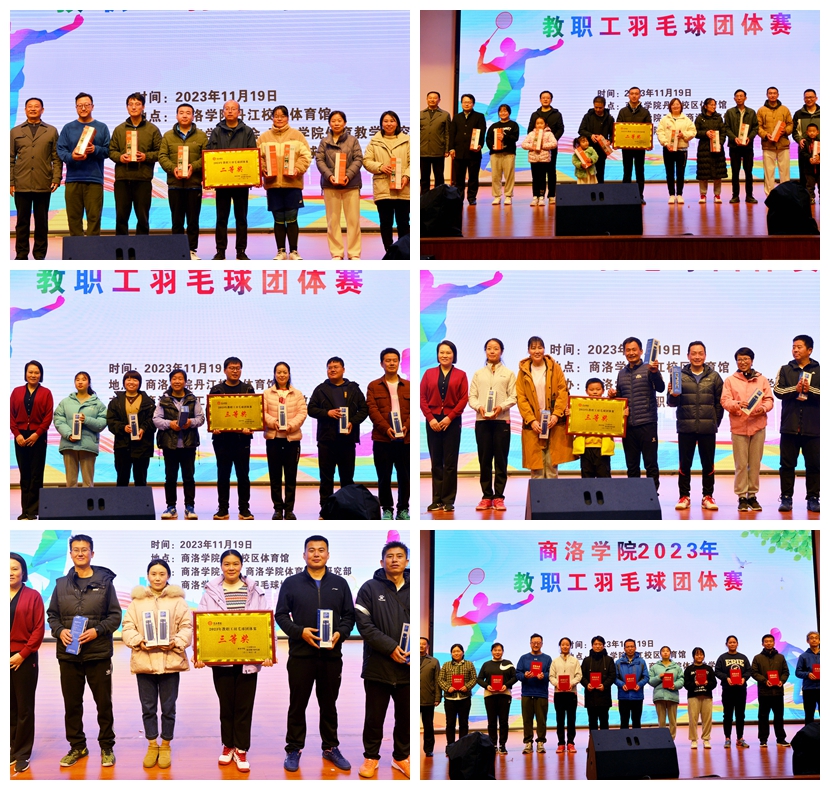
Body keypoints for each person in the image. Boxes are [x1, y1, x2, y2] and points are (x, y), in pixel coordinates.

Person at [275, 535, 355, 773]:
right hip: (301, 656)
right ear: (304, 555)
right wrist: (299, 632)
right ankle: (293, 748)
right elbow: (281, 615)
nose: (316, 554)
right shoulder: (291, 583)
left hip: (331, 657)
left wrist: (341, 633)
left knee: (329, 705)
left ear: (328, 555)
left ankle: (330, 747)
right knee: (297, 705)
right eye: (312, 550)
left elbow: (349, 616)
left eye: (321, 550)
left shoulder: (340, 583)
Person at [46, 534, 121, 768]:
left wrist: (97, 631)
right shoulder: (60, 584)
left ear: (92, 553)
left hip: (98, 653)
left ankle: (107, 746)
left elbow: (115, 616)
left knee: (103, 703)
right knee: (72, 704)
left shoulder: (105, 583)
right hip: (68, 655)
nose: (80, 553)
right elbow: (52, 616)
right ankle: (77, 746)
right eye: (76, 550)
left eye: (84, 549)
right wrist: (60, 631)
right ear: (70, 554)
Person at [195, 550, 274, 772]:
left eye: (236, 563)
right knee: (226, 704)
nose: (231, 568)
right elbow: (201, 624)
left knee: (244, 706)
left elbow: (266, 621)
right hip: (221, 658)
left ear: (241, 565)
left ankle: (241, 748)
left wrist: (268, 652)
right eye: (227, 564)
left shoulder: (255, 591)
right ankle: (228, 745)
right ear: (221, 566)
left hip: (248, 657)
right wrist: (200, 654)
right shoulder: (210, 592)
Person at [121, 559, 192, 769]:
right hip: (145, 662)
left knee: (169, 708)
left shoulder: (178, 601)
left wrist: (176, 642)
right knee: (148, 707)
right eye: (153, 574)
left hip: (171, 662)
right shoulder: (137, 602)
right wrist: (138, 641)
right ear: (148, 576)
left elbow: (187, 627)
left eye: (162, 574)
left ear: (168, 576)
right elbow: (127, 627)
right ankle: (152, 744)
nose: (158, 578)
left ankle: (166, 745)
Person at [355, 541, 410, 778]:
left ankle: (401, 757)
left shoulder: (415, 588)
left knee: (405, 717)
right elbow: (364, 625)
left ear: (407, 561)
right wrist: (390, 648)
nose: (394, 560)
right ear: (382, 561)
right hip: (377, 665)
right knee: (374, 717)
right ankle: (371, 757)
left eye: (399, 556)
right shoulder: (369, 588)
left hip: (408, 666)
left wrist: (416, 647)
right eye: (390, 556)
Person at [307, 357, 368, 517]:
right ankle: (325, 510)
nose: (332, 370)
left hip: (347, 440)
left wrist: (352, 422)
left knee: (347, 478)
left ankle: (347, 510)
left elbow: (364, 409)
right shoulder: (321, 389)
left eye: (336, 367)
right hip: (326, 441)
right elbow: (311, 409)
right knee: (326, 478)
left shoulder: (353, 388)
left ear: (343, 369)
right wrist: (327, 413)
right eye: (329, 367)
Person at [667, 341, 724, 510]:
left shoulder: (714, 377)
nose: (697, 356)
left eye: (700, 353)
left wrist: (714, 422)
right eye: (693, 353)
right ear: (688, 356)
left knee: (708, 464)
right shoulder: (678, 375)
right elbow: (671, 403)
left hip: (707, 428)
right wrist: (672, 395)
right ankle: (684, 496)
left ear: (705, 356)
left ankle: (708, 496)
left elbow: (719, 404)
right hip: (686, 427)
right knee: (685, 464)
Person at [721, 347, 773, 511]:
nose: (742, 362)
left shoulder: (762, 380)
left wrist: (763, 408)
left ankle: (752, 495)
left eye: (746, 359)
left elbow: (769, 399)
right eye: (739, 359)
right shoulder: (730, 380)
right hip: (739, 427)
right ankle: (742, 496)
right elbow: (725, 401)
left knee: (755, 463)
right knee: (741, 464)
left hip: (758, 426)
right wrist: (738, 404)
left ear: (752, 360)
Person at [257, 104, 312, 260]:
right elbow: (257, 157)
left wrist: (297, 169)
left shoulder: (297, 136)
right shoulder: (264, 137)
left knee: (292, 218)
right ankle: (280, 251)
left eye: (282, 116)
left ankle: (294, 251)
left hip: (292, 184)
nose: (279, 119)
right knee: (278, 219)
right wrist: (263, 169)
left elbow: (306, 156)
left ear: (287, 118)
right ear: (272, 118)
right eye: (276, 116)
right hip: (273, 184)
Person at [609, 337, 665, 490]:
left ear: (641, 351)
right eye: (628, 350)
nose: (631, 353)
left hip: (647, 423)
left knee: (650, 463)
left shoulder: (649, 368)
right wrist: (613, 395)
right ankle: (634, 495)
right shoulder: (621, 373)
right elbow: (621, 397)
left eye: (634, 349)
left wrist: (655, 372)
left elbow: (661, 388)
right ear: (624, 352)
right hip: (628, 427)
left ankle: (653, 494)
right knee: (632, 465)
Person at [516, 336, 574, 480]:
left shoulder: (554, 367)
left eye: (540, 347)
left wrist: (556, 415)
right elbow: (521, 398)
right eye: (533, 348)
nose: (537, 351)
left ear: (544, 349)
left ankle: (552, 495)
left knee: (552, 466)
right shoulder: (523, 371)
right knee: (536, 468)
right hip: (533, 424)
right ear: (528, 351)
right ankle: (538, 495)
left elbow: (562, 391)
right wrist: (531, 420)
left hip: (553, 422)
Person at [10, 97, 61, 259]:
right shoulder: (15, 132)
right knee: (22, 222)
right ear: (25, 110)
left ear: (42, 110)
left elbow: (56, 158)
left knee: (41, 222)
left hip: (43, 183)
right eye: (30, 106)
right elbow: (9, 158)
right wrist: (10, 181)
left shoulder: (51, 131)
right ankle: (21, 255)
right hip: (22, 183)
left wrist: (56, 178)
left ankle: (39, 255)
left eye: (36, 106)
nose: (33, 109)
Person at [420, 340, 468, 513]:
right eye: (442, 352)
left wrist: (450, 417)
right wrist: (430, 418)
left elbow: (463, 399)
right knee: (436, 461)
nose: (445, 355)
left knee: (450, 462)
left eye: (448, 352)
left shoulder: (461, 375)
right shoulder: (428, 373)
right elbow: (422, 397)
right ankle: (437, 500)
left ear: (454, 355)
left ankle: (448, 500)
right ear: (437, 354)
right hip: (432, 421)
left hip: (452, 421)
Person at [469, 338, 517, 511]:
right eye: (489, 348)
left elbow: (514, 396)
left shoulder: (509, 374)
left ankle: (499, 497)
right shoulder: (478, 374)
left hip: (501, 420)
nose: (492, 351)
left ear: (501, 351)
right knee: (484, 460)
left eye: (496, 348)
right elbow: (472, 397)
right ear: (485, 351)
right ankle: (486, 496)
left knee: (501, 460)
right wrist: (479, 407)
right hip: (482, 421)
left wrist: (501, 407)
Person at [774, 334, 820, 512]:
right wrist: (796, 389)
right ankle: (786, 498)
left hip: (813, 427)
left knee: (814, 465)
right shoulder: (785, 369)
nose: (795, 350)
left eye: (799, 347)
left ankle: (813, 498)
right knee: (787, 465)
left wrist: (810, 390)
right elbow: (777, 391)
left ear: (810, 350)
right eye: (793, 347)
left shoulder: (820, 370)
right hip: (789, 426)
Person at [206, 100, 257, 260]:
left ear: (239, 112)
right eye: (227, 109)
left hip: (241, 183)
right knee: (221, 218)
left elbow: (252, 155)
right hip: (222, 183)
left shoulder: (247, 131)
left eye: (233, 109)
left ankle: (241, 251)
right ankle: (220, 251)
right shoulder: (216, 131)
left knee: (241, 218)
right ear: (223, 112)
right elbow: (210, 154)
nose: (230, 111)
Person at [158, 102, 208, 260]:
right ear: (176, 116)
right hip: (175, 185)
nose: (184, 115)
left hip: (194, 184)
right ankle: (177, 250)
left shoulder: (201, 136)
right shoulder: (168, 136)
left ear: (193, 116)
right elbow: (162, 156)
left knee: (193, 220)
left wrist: (194, 166)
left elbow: (206, 156)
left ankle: (192, 250)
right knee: (177, 220)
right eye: (181, 112)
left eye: (188, 113)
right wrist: (173, 168)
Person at [57, 92, 111, 236]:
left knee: (94, 218)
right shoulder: (68, 128)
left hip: (94, 180)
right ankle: (77, 249)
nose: (83, 108)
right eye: (80, 105)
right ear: (75, 107)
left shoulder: (102, 127)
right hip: (73, 180)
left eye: (86, 105)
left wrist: (95, 149)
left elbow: (108, 151)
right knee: (74, 219)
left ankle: (93, 248)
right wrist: (72, 156)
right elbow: (60, 150)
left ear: (92, 106)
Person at [153, 368, 205, 520]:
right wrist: (170, 424)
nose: (177, 381)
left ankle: (190, 507)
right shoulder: (163, 400)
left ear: (185, 381)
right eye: (174, 378)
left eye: (180, 378)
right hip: (170, 445)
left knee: (189, 477)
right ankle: (171, 507)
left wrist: (190, 422)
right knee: (170, 478)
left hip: (188, 444)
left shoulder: (192, 399)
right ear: (170, 381)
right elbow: (156, 419)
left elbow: (201, 418)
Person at [10, 552, 45, 773]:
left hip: (24, 657)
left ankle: (22, 753)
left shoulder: (33, 596)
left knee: (24, 707)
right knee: (8, 706)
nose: (10, 573)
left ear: (23, 572)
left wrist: (22, 654)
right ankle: (11, 747)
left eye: (14, 568)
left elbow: (38, 629)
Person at [108, 92, 161, 236]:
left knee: (143, 218)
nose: (134, 107)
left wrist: (145, 157)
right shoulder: (119, 129)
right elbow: (111, 151)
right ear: (127, 107)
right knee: (121, 217)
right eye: (130, 104)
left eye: (137, 104)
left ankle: (142, 247)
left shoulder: (152, 129)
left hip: (143, 179)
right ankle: (121, 247)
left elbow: (160, 153)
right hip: (122, 179)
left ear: (143, 107)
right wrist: (120, 157)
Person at [209, 357, 255, 520]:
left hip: (242, 440)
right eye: (231, 368)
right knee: (223, 475)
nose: (235, 371)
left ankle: (244, 509)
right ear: (224, 370)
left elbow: (253, 413)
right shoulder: (216, 390)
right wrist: (213, 426)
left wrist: (251, 427)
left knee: (243, 476)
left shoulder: (248, 389)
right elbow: (211, 413)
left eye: (237, 368)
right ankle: (223, 509)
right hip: (222, 441)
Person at [367, 347, 410, 520]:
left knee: (405, 476)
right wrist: (386, 429)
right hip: (382, 439)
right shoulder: (373, 386)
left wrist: (406, 426)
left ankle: (403, 509)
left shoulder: (409, 386)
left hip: (405, 439)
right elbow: (372, 410)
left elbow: (413, 410)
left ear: (399, 363)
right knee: (384, 476)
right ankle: (386, 508)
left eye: (395, 360)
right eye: (388, 360)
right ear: (381, 364)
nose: (391, 363)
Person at [316, 110, 363, 260]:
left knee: (353, 221)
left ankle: (354, 253)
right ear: (329, 123)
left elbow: (358, 159)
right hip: (330, 185)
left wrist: (347, 175)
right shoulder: (324, 142)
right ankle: (336, 253)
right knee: (333, 221)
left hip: (351, 185)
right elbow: (319, 160)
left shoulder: (353, 140)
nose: (336, 123)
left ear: (345, 123)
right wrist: (330, 176)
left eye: (339, 120)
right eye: (333, 121)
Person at [263, 362, 306, 520]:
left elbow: (302, 413)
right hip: (273, 439)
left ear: (289, 374)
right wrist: (273, 423)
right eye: (279, 372)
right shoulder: (267, 393)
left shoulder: (297, 394)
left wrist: (290, 426)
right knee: (275, 476)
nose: (282, 375)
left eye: (285, 372)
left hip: (291, 440)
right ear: (274, 374)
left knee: (290, 476)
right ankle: (277, 509)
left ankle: (289, 510)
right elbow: (262, 412)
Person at [11, 360, 53, 519]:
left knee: (36, 474)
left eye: (36, 372)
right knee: (25, 474)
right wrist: (17, 434)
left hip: (38, 436)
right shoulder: (16, 391)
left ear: (41, 375)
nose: (33, 375)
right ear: (25, 373)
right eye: (30, 372)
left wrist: (37, 434)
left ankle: (34, 510)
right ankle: (25, 510)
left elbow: (48, 416)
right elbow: (10, 415)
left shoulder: (46, 393)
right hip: (20, 437)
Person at [363, 110, 410, 251]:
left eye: (392, 121)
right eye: (386, 121)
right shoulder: (374, 141)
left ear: (397, 123)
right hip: (383, 188)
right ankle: (389, 252)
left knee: (403, 223)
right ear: (381, 123)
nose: (389, 124)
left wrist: (406, 176)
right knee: (385, 223)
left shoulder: (407, 140)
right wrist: (380, 167)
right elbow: (367, 161)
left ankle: (404, 252)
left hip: (403, 188)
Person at [53, 372, 108, 487]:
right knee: (71, 483)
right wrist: (69, 434)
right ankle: (71, 500)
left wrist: (86, 419)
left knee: (88, 483)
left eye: (83, 379)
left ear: (89, 383)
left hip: (88, 445)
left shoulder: (97, 404)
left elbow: (102, 423)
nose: (80, 382)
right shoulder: (65, 402)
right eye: (77, 379)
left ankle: (88, 500)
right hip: (69, 444)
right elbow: (58, 420)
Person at [106, 370, 155, 488]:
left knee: (141, 480)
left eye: (135, 379)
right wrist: (123, 427)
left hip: (142, 446)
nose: (131, 382)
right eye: (128, 379)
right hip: (122, 446)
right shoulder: (115, 402)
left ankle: (141, 501)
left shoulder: (148, 402)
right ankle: (121, 501)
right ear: (124, 382)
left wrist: (143, 429)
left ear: (140, 383)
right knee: (122, 480)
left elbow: (153, 421)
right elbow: (111, 421)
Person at [569, 378, 619, 478]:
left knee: (604, 478)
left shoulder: (609, 405)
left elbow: (616, 419)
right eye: (591, 390)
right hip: (585, 448)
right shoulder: (580, 406)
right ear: (586, 391)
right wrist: (570, 414)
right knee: (587, 478)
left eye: (598, 389)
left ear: (603, 391)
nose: (595, 392)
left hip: (603, 449)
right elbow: (574, 422)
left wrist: (622, 414)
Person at [477, 642, 517, 755]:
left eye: (499, 650)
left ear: (503, 651)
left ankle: (502, 745)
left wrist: (506, 685)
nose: (497, 652)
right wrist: (487, 686)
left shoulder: (508, 664)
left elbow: (515, 677)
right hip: (490, 696)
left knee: (504, 721)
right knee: (492, 721)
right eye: (495, 650)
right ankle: (493, 744)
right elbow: (479, 679)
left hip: (505, 695)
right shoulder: (486, 664)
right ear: (491, 652)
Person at [516, 633, 552, 753]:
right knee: (527, 720)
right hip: (527, 693)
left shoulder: (547, 658)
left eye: (538, 643)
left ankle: (540, 742)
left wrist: (544, 676)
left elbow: (551, 674)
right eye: (533, 642)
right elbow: (518, 673)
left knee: (541, 720)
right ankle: (528, 743)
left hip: (541, 693)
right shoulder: (523, 658)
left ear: (542, 644)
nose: (536, 645)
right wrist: (524, 676)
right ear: (530, 643)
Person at [751, 634, 790, 747]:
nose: (768, 643)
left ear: (774, 643)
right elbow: (754, 673)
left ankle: (781, 739)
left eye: (770, 641)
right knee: (763, 717)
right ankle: (763, 740)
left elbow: (786, 672)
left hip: (778, 692)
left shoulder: (780, 657)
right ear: (762, 644)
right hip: (764, 692)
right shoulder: (757, 658)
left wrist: (781, 681)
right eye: (766, 641)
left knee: (779, 716)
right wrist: (764, 681)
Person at [714, 635, 753, 748]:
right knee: (727, 715)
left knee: (740, 715)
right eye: (730, 642)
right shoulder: (722, 658)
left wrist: (744, 678)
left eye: (734, 642)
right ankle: (727, 738)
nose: (732, 644)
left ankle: (740, 738)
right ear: (726, 644)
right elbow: (717, 671)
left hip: (741, 690)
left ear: (737, 644)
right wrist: (726, 678)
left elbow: (749, 671)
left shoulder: (743, 657)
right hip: (728, 690)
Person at [656, 98, 696, 203]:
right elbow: (660, 132)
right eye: (673, 104)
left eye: (678, 104)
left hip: (681, 150)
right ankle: (671, 195)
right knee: (669, 173)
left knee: (680, 173)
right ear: (670, 106)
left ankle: (679, 194)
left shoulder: (686, 119)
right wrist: (666, 143)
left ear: (681, 106)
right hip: (668, 149)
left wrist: (684, 135)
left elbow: (693, 131)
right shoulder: (665, 119)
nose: (675, 106)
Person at [526, 91, 564, 204]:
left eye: (548, 98)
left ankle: (552, 195)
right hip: (536, 150)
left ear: (551, 100)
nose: (545, 99)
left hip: (550, 148)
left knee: (551, 171)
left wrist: (551, 141)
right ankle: (537, 195)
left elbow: (560, 129)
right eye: (543, 98)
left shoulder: (557, 114)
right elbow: (530, 130)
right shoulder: (535, 114)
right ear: (540, 100)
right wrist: (535, 144)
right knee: (537, 174)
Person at [449, 93, 486, 205]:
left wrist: (480, 145)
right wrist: (451, 148)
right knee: (459, 178)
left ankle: (472, 197)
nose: (466, 104)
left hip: (474, 152)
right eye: (464, 102)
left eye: (469, 102)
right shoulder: (457, 117)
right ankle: (459, 198)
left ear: (473, 104)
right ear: (461, 104)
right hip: (459, 152)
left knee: (473, 177)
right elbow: (452, 133)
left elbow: (482, 132)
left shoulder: (479, 116)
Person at [617, 87, 652, 204]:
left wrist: (648, 143)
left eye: (636, 94)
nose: (634, 96)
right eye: (632, 93)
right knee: (627, 172)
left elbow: (648, 129)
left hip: (640, 148)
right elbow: (618, 128)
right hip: (626, 148)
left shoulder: (645, 112)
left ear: (640, 96)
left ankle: (639, 196)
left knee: (639, 172)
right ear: (628, 95)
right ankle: (625, 197)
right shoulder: (623, 112)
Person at [723, 90, 759, 204]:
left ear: (745, 98)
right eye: (737, 96)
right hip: (734, 146)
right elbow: (726, 128)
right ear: (734, 98)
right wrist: (734, 138)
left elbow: (756, 127)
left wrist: (750, 137)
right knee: (735, 172)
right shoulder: (729, 112)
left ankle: (749, 196)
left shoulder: (751, 112)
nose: (739, 98)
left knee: (748, 172)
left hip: (748, 146)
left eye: (741, 96)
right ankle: (735, 196)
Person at [757, 87, 793, 196]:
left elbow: (790, 124)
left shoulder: (784, 109)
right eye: (770, 93)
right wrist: (765, 135)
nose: (772, 95)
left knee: (785, 172)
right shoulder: (761, 110)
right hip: (768, 145)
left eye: (774, 93)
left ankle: (786, 195)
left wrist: (784, 131)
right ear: (767, 95)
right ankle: (770, 196)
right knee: (769, 173)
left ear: (778, 95)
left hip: (783, 145)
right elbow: (758, 127)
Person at [438, 644, 476, 749]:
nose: (456, 653)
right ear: (451, 653)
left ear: (463, 652)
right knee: (450, 724)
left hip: (464, 698)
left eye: (458, 651)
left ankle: (462, 747)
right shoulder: (446, 665)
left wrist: (467, 687)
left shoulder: (469, 664)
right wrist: (447, 688)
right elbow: (440, 679)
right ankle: (450, 746)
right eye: (454, 651)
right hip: (450, 699)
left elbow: (474, 678)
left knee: (464, 723)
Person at [550, 637, 581, 754]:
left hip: (571, 693)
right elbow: (551, 676)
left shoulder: (575, 660)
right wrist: (557, 684)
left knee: (571, 719)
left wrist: (571, 683)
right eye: (563, 644)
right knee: (560, 719)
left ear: (570, 646)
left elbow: (579, 675)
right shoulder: (555, 661)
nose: (565, 646)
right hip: (559, 694)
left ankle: (571, 743)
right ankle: (561, 743)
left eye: (567, 644)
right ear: (560, 646)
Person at [695, 98, 729, 204]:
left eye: (714, 105)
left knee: (717, 173)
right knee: (703, 173)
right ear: (705, 106)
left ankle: (717, 195)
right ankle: (703, 195)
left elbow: (723, 132)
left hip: (717, 148)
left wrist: (720, 143)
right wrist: (705, 133)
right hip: (704, 149)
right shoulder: (700, 118)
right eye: (711, 105)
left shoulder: (718, 118)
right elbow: (695, 132)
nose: (713, 106)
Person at [486, 103, 520, 205]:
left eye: (505, 111)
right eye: (501, 111)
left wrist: (504, 137)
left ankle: (508, 196)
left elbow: (515, 138)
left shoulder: (513, 125)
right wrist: (491, 146)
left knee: (509, 175)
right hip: (495, 154)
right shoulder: (494, 126)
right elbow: (488, 139)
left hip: (509, 153)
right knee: (495, 176)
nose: (503, 113)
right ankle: (497, 196)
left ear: (509, 112)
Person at [580, 636, 615, 732]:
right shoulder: (587, 660)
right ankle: (592, 741)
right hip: (591, 696)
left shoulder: (609, 660)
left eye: (600, 644)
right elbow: (581, 676)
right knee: (592, 722)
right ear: (592, 646)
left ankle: (605, 741)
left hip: (604, 696)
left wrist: (604, 685)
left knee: (604, 722)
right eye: (595, 644)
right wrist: (587, 684)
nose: (598, 646)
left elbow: (612, 675)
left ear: (603, 646)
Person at [684, 647, 717, 748]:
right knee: (693, 719)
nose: (699, 656)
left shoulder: (708, 669)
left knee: (707, 719)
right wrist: (694, 683)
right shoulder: (689, 669)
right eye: (697, 654)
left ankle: (706, 739)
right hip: (693, 697)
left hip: (706, 696)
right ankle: (693, 740)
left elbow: (714, 683)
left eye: (701, 654)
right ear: (693, 656)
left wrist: (707, 683)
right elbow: (686, 684)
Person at [648, 646, 684, 740]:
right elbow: (650, 681)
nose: (665, 652)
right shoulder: (655, 667)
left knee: (673, 721)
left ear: (670, 653)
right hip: (659, 696)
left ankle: (672, 740)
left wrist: (674, 685)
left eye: (667, 651)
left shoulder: (676, 667)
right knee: (661, 721)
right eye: (663, 651)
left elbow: (681, 680)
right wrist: (659, 677)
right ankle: (662, 740)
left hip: (672, 696)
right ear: (660, 654)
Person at [578, 96, 614, 183]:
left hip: (602, 150)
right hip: (588, 149)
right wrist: (591, 135)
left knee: (600, 173)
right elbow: (581, 130)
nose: (598, 110)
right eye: (596, 107)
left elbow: (613, 133)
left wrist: (609, 140)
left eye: (600, 108)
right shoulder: (588, 116)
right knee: (588, 173)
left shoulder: (609, 118)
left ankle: (600, 190)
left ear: (604, 106)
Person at [521, 117, 557, 206]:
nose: (539, 125)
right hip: (533, 159)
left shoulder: (549, 134)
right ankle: (535, 197)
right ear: (535, 125)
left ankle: (541, 197)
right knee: (535, 178)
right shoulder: (531, 134)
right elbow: (523, 144)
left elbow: (554, 143)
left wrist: (542, 145)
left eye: (541, 123)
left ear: (545, 124)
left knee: (542, 178)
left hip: (544, 160)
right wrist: (532, 147)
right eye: (537, 123)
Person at [420, 91, 450, 193]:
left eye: (435, 98)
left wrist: (447, 149)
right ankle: (424, 196)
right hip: (423, 150)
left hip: (438, 150)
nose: (432, 100)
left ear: (439, 100)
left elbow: (447, 133)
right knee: (424, 176)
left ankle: (439, 195)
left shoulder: (445, 115)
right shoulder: (420, 114)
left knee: (439, 176)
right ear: (427, 99)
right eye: (430, 98)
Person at [615, 639, 648, 729]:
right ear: (624, 649)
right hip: (623, 696)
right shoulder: (618, 662)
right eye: (628, 647)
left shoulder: (641, 662)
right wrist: (622, 684)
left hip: (637, 696)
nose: (630, 648)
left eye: (632, 646)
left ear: (635, 648)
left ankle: (637, 739)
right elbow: (615, 678)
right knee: (624, 721)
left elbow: (646, 677)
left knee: (636, 721)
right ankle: (624, 738)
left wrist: (639, 685)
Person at [793, 89, 820, 191]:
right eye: (806, 97)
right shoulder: (798, 114)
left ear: (816, 98)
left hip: (821, 149)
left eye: (811, 97)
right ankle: (806, 196)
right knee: (804, 175)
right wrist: (799, 140)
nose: (809, 99)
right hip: (804, 149)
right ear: (804, 99)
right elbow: (794, 131)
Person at [420, 637, 441, 758]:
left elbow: (437, 680)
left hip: (428, 698)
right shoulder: (408, 659)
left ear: (427, 646)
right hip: (411, 698)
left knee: (428, 726)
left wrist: (437, 697)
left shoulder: (434, 661)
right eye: (419, 644)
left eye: (424, 644)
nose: (421, 646)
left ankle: (429, 749)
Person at [795, 631, 820, 724]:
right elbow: (798, 672)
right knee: (809, 715)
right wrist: (807, 674)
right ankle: (809, 733)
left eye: (816, 638)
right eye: (811, 638)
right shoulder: (803, 656)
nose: (814, 640)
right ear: (807, 641)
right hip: (809, 689)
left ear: (819, 641)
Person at [798, 123, 820, 204]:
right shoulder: (804, 142)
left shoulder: (821, 141)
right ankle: (811, 198)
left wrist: (819, 158)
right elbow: (802, 153)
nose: (812, 133)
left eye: (814, 131)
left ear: (817, 132)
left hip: (819, 169)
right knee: (810, 185)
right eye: (810, 131)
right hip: (808, 169)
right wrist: (809, 158)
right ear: (807, 132)